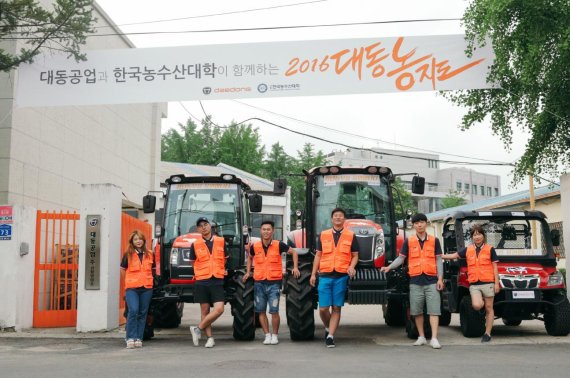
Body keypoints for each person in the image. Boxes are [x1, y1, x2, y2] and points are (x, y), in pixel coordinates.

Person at [381, 213, 444, 349]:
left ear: (426, 223)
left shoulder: (434, 240)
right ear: (413, 225)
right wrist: (389, 267)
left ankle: (434, 338)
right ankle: (421, 336)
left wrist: (440, 278)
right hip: (415, 280)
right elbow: (401, 258)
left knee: (434, 311)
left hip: (432, 280)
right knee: (416, 311)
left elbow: (439, 260)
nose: (420, 225)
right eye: (417, 223)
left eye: (422, 222)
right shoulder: (409, 241)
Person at [243, 220, 300, 345]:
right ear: (260, 231)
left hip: (274, 283)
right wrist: (248, 271)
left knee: (274, 311)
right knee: (261, 311)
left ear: (273, 231)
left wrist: (295, 267)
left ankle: (275, 335)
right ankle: (267, 335)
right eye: (264, 229)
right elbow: (250, 257)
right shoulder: (255, 246)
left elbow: (294, 252)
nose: (266, 231)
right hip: (259, 283)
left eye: (268, 229)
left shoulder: (279, 245)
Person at [441, 224, 500, 342]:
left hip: (488, 282)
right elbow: (454, 255)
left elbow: (495, 267)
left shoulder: (490, 249)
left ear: (483, 236)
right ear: (472, 237)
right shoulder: (468, 249)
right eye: (474, 235)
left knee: (489, 308)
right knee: (477, 305)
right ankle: (482, 302)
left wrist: (496, 283)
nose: (477, 237)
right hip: (474, 284)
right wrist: (440, 256)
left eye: (479, 234)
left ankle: (487, 333)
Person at [310, 208, 359, 348]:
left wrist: (352, 266)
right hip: (325, 275)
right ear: (332, 219)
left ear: (344, 219)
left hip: (341, 276)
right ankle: (327, 326)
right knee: (323, 309)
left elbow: (355, 255)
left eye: (341, 216)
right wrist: (313, 274)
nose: (338, 218)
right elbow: (318, 255)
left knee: (336, 308)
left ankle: (330, 336)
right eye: (335, 216)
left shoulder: (350, 235)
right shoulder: (324, 235)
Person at [188, 217, 228, 348]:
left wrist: (219, 269)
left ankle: (197, 329)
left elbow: (225, 259)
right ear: (198, 229)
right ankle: (210, 338)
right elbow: (193, 262)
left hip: (216, 279)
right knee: (204, 311)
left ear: (210, 226)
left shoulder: (221, 241)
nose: (203, 227)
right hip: (202, 280)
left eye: (205, 224)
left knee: (219, 309)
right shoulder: (195, 244)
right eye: (200, 226)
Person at [120, 230, 154, 349]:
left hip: (146, 288)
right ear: (132, 242)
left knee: (142, 313)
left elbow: (153, 269)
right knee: (133, 311)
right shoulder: (127, 254)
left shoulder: (150, 254)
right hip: (132, 288)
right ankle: (130, 337)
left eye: (140, 239)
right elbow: (123, 270)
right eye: (135, 239)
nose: (138, 241)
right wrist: (129, 281)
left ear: (143, 240)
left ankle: (138, 337)